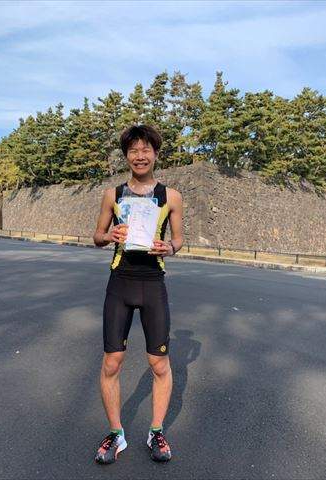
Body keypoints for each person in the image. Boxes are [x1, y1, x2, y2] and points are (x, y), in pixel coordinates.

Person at [92, 125, 184, 464]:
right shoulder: (112, 195)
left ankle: (156, 431)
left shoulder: (171, 196)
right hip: (120, 282)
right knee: (111, 361)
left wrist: (169, 247)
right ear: (126, 155)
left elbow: (178, 239)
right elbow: (97, 236)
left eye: (146, 150)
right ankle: (116, 433)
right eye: (133, 150)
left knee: (159, 363)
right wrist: (110, 235)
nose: (140, 156)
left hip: (152, 283)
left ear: (156, 154)